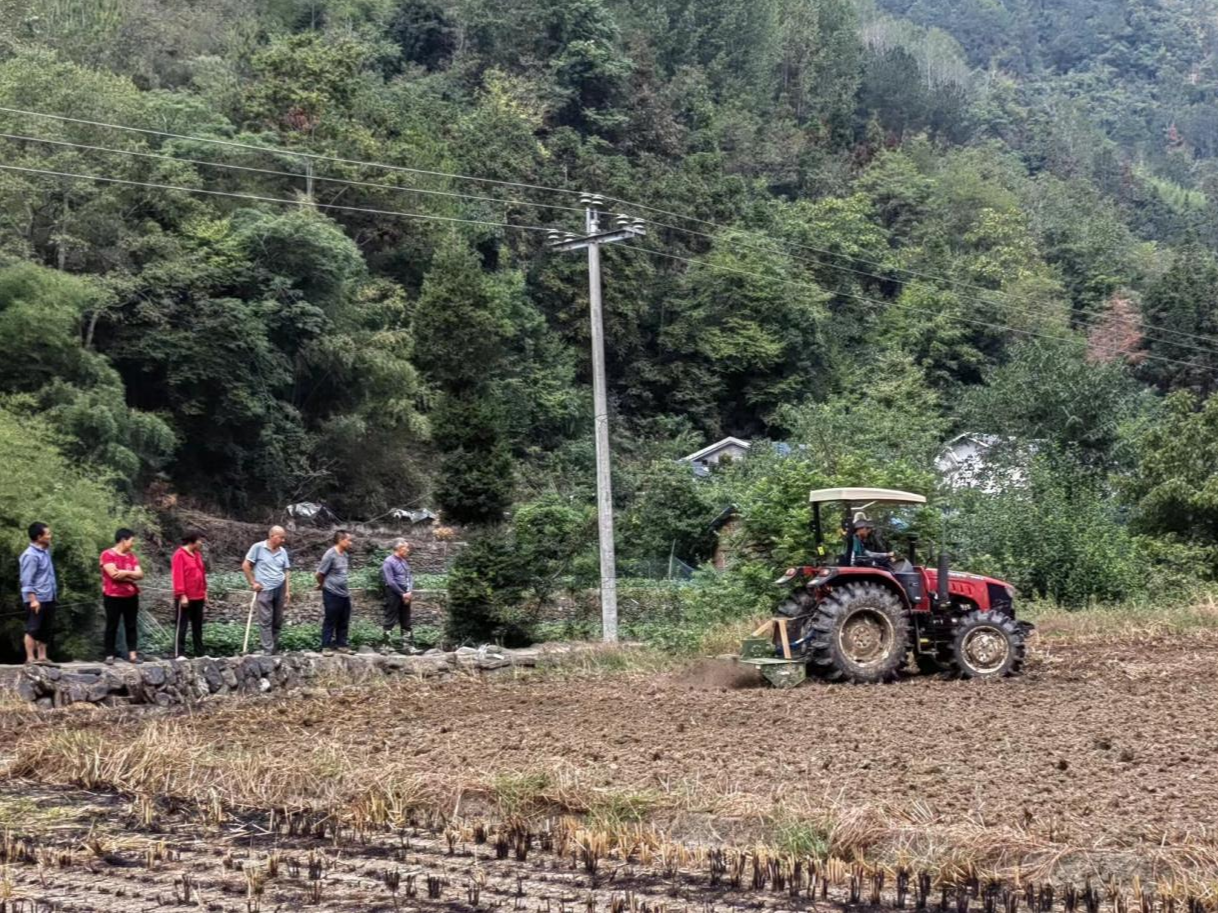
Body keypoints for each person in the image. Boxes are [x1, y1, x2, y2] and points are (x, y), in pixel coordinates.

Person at [242, 526, 291, 655]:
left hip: (279, 586)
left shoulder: (283, 552)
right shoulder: (258, 548)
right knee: (265, 619)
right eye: (281, 537)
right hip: (264, 588)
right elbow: (246, 565)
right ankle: (268, 649)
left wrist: (287, 590)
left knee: (277, 619)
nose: (283, 540)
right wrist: (253, 582)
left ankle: (274, 647)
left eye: (284, 537)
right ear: (272, 536)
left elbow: (286, 571)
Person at [101, 528, 144, 664]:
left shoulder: (131, 556)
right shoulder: (107, 554)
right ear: (123, 540)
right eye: (132, 541)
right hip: (112, 595)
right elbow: (113, 575)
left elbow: (140, 574)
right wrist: (131, 575)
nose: (133, 544)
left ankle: (133, 655)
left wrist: (123, 572)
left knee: (131, 625)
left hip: (131, 595)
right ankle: (109, 655)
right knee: (112, 624)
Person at [19, 522, 57, 665]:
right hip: (36, 598)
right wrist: (33, 599)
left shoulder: (45, 551)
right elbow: (26, 580)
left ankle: (42, 657)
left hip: (49, 595)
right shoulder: (30, 555)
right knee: (33, 628)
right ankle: (30, 658)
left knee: (46, 629)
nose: (50, 536)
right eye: (47, 534)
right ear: (39, 537)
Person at [316, 529, 354, 656]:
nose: (351, 543)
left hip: (344, 593)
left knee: (344, 619)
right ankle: (325, 646)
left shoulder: (345, 555)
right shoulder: (330, 554)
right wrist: (323, 585)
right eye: (349, 540)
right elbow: (320, 573)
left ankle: (341, 644)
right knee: (330, 619)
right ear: (340, 540)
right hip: (331, 592)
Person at [171, 532, 208, 659]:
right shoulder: (179, 555)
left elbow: (202, 574)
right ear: (192, 541)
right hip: (186, 596)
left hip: (198, 596)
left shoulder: (197, 555)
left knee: (197, 626)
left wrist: (204, 591)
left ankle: (199, 652)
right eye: (200, 541)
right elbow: (178, 575)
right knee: (182, 625)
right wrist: (181, 594)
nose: (201, 543)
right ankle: (179, 653)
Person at [381, 539, 414, 651]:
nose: (408, 550)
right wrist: (402, 594)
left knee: (406, 619)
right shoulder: (388, 562)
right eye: (406, 548)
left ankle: (407, 646)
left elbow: (409, 577)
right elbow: (390, 581)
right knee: (390, 618)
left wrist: (409, 591)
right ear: (400, 548)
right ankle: (386, 646)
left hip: (406, 593)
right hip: (393, 593)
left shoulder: (404, 561)